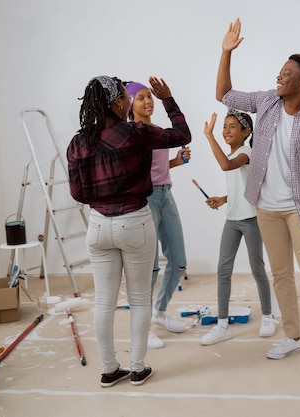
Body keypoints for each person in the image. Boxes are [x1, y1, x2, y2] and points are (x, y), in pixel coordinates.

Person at [215, 18, 300, 369]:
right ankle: (292, 337)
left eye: (287, 73)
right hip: (265, 206)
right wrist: (225, 52)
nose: (279, 76)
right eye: (280, 71)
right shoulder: (268, 102)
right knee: (281, 274)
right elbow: (224, 95)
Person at [67, 75, 191, 387]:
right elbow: (181, 134)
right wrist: (168, 100)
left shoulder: (78, 142)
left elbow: (77, 193)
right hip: (135, 221)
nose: (127, 100)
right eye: (125, 95)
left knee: (104, 302)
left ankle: (109, 369)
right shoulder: (135, 133)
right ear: (118, 103)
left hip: (98, 227)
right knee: (139, 299)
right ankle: (137, 367)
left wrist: (102, 199)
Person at [200, 109, 277, 346]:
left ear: (247, 132)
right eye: (225, 126)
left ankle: (268, 316)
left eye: (233, 126)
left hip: (252, 219)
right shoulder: (236, 156)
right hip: (232, 219)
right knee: (223, 270)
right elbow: (241, 186)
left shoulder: (246, 153)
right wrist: (223, 199)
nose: (226, 130)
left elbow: (226, 166)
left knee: (257, 268)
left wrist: (209, 136)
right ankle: (222, 325)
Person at [125, 81, 191, 349]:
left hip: (167, 196)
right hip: (146, 199)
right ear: (130, 105)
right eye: (141, 98)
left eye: (149, 96)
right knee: (149, 267)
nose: (148, 101)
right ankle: (143, 326)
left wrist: (178, 161)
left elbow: (160, 166)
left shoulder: (159, 133)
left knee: (179, 262)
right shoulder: (131, 134)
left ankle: (160, 312)